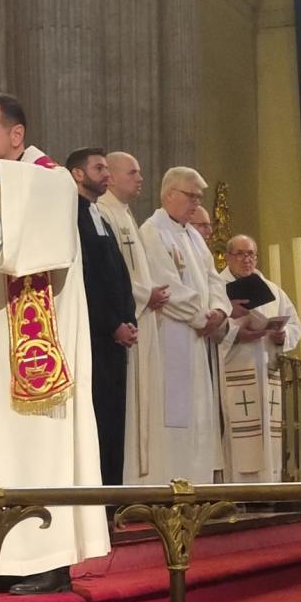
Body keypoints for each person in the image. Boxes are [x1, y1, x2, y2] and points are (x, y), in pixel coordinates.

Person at [0, 95, 109, 593]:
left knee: (41, 445)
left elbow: (39, 235)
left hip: (38, 346)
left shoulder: (47, 178)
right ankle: (1, 558)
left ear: (17, 136)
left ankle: (49, 560)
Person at [139, 166, 235, 484]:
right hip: (172, 335)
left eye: (198, 198)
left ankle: (198, 489)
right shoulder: (153, 232)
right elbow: (166, 286)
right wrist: (201, 316)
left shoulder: (192, 235)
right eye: (191, 196)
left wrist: (220, 311)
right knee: (175, 419)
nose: (196, 203)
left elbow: (213, 279)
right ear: (169, 194)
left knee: (199, 418)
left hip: (197, 338)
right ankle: (171, 490)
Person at [97, 151, 170, 484]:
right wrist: (144, 296)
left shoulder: (125, 215)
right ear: (110, 176)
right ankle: (126, 480)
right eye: (133, 172)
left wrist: (148, 292)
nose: (140, 178)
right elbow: (113, 274)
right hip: (127, 319)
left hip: (139, 316)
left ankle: (142, 479)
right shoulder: (102, 213)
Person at [66, 147, 136, 486]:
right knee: (98, 421)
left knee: (113, 422)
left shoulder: (99, 215)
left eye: (108, 168)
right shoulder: (72, 216)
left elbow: (118, 274)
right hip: (95, 337)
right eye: (99, 168)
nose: (106, 174)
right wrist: (112, 324)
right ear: (78, 174)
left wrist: (129, 317)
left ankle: (113, 500)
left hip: (114, 339)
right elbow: (88, 279)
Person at [219, 233, 301, 483]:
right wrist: (236, 334)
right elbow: (209, 326)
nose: (248, 260)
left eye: (252, 254)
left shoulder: (273, 291)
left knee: (267, 433)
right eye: (241, 254)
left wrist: (281, 337)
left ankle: (268, 488)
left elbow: (296, 326)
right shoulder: (218, 288)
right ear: (228, 256)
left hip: (267, 372)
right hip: (234, 369)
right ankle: (238, 491)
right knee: (238, 431)